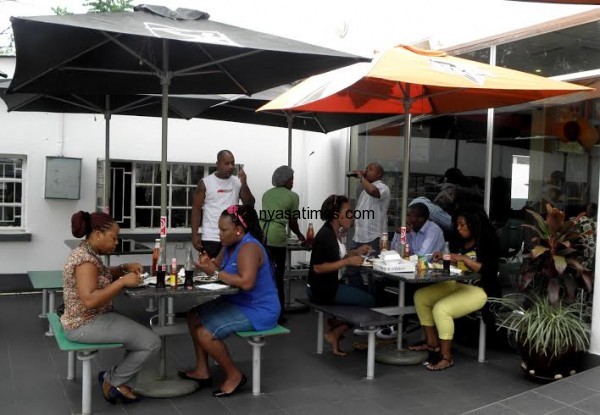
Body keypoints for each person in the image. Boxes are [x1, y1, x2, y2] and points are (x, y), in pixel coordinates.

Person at [61, 211, 160, 404]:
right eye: (113, 237)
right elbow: (90, 299)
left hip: (87, 318)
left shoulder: (87, 252)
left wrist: (123, 268)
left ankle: (118, 380)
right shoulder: (85, 261)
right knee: (151, 341)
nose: (116, 243)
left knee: (141, 335)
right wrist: (122, 281)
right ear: (98, 233)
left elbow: (102, 274)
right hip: (84, 324)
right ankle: (113, 381)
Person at [180, 205, 279, 397]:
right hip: (237, 301)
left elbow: (247, 283)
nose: (220, 234)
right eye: (219, 229)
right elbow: (216, 266)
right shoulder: (229, 245)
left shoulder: (249, 247)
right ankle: (202, 370)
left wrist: (214, 272)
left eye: (223, 230)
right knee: (193, 316)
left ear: (238, 230)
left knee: (204, 333)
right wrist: (206, 264)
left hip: (259, 308)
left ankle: (234, 375)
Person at [409, 207, 500, 371]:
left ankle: (446, 356)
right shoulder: (459, 241)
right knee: (421, 296)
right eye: (457, 224)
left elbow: (488, 270)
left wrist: (462, 258)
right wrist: (445, 257)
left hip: (480, 290)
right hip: (457, 284)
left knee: (441, 309)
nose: (459, 228)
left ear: (473, 225)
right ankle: (432, 343)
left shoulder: (487, 241)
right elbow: (457, 263)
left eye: (462, 225)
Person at [307, 195, 375, 356]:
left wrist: (356, 252)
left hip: (327, 286)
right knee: (369, 300)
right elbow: (318, 268)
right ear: (336, 215)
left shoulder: (333, 232)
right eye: (348, 212)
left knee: (361, 293)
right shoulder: (326, 236)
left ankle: (335, 325)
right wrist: (348, 262)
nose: (352, 216)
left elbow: (336, 257)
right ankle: (335, 331)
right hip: (322, 290)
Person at [260, 165, 306, 324]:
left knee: (264, 274)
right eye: (291, 179)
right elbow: (293, 222)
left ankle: (263, 309)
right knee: (278, 277)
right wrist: (300, 235)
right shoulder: (293, 196)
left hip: (262, 236)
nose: (293, 182)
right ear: (286, 180)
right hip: (276, 237)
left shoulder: (266, 194)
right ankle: (278, 315)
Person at [191, 150, 255, 257]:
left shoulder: (237, 182)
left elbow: (250, 203)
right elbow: (196, 209)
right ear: (217, 164)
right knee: (210, 270)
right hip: (211, 236)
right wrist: (194, 235)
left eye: (232, 163)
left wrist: (244, 182)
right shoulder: (206, 182)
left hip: (232, 235)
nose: (230, 167)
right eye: (226, 163)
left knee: (230, 270)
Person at [345, 162, 390, 287]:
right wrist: (348, 225)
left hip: (373, 237)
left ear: (379, 174)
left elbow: (372, 191)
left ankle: (373, 300)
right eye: (366, 169)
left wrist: (361, 178)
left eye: (370, 169)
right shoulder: (364, 191)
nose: (366, 170)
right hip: (359, 236)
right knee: (351, 268)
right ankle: (359, 296)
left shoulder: (383, 188)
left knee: (373, 271)